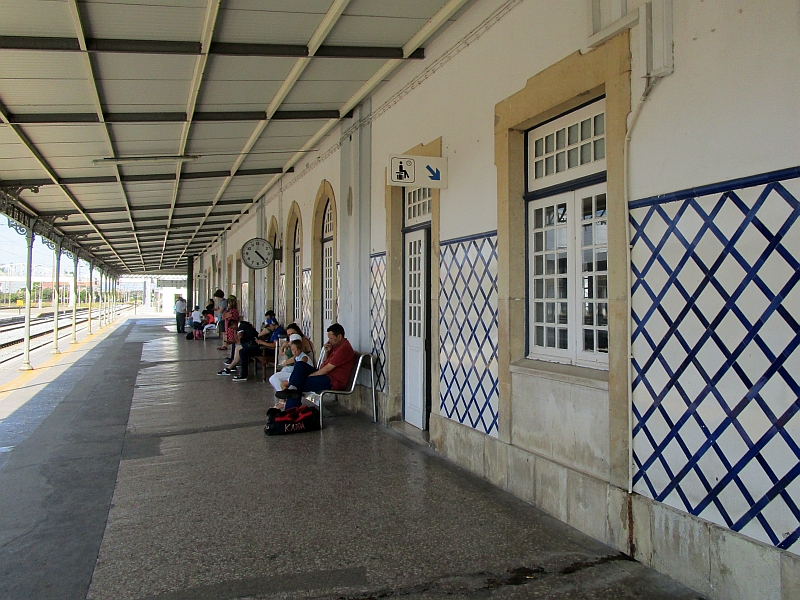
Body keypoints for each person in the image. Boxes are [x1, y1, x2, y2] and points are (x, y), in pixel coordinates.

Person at [276, 323, 355, 409]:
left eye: (331, 338)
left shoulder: (344, 348)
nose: (329, 341)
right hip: (324, 375)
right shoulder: (336, 346)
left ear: (339, 337)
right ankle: (292, 389)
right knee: (300, 364)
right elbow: (324, 364)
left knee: (299, 383)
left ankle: (290, 410)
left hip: (332, 381)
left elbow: (327, 369)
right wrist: (327, 352)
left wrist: (311, 376)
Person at [268, 324, 314, 391]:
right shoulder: (296, 350)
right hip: (298, 369)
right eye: (289, 335)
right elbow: (293, 358)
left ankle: (284, 395)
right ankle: (284, 394)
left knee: (275, 378)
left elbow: (300, 362)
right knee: (278, 375)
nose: (291, 336)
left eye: (292, 334)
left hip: (305, 372)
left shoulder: (302, 342)